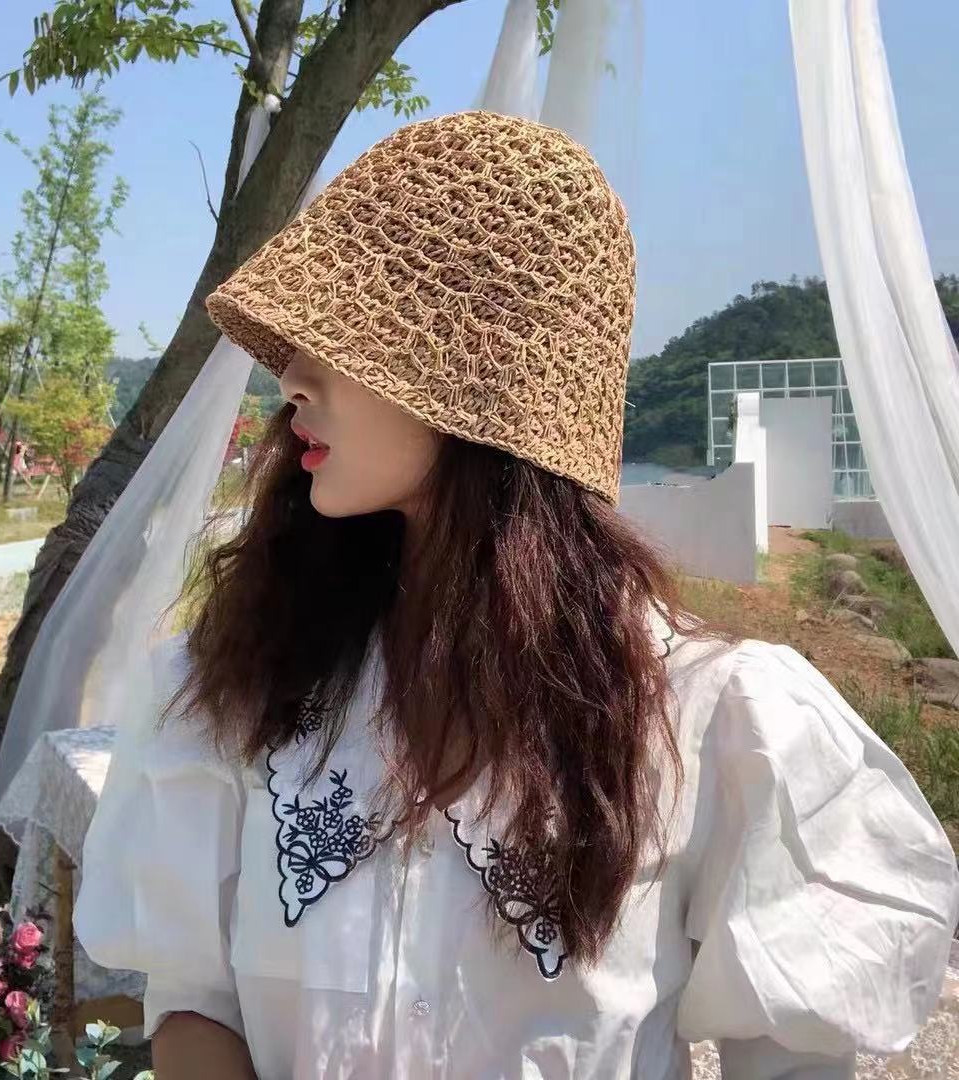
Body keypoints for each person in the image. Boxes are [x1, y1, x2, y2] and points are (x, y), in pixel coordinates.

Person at [73, 111, 959, 1080]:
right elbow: (193, 1000)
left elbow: (790, 1061)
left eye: (349, 335)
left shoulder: (706, 721)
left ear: (479, 377)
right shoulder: (253, 680)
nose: (290, 378)